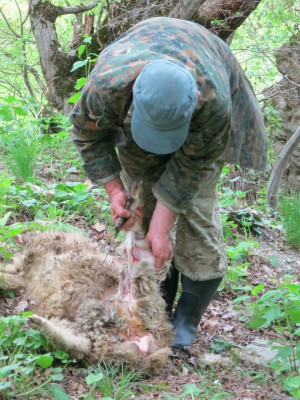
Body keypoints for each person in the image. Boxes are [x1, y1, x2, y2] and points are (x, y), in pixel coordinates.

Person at [69, 17, 268, 349]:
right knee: (140, 202)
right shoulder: (107, 86)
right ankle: (154, 298)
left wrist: (163, 227)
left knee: (196, 212)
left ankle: (186, 319)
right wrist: (115, 191)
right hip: (134, 100)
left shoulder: (213, 102)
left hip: (206, 90)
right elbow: (87, 136)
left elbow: (192, 168)